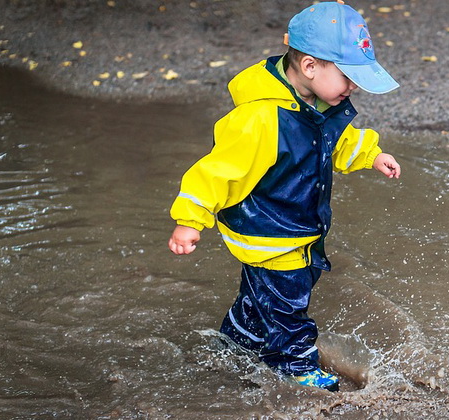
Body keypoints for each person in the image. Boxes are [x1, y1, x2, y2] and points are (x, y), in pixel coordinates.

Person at [167, 1, 400, 392]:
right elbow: (217, 170)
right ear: (310, 67)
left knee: (260, 297)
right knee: (290, 308)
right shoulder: (259, 119)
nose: (354, 87)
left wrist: (372, 155)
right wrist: (189, 221)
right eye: (348, 76)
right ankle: (295, 367)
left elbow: (335, 143)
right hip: (272, 233)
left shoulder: (318, 104)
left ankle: (236, 342)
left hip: (291, 227)